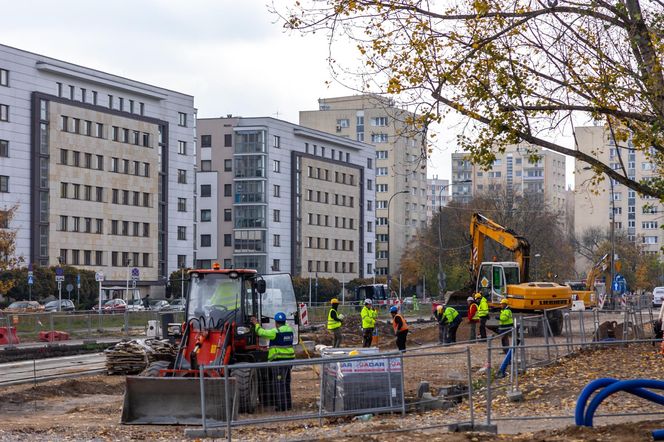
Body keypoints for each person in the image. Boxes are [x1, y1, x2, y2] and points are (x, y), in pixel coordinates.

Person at [250, 312, 295, 411]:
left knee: (279, 384)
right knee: (286, 383)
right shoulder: (289, 330)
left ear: (276, 322)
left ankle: (282, 407)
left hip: (279, 361)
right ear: (284, 321)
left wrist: (256, 323)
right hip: (289, 360)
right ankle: (288, 404)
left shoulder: (275, 332)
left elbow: (261, 332)